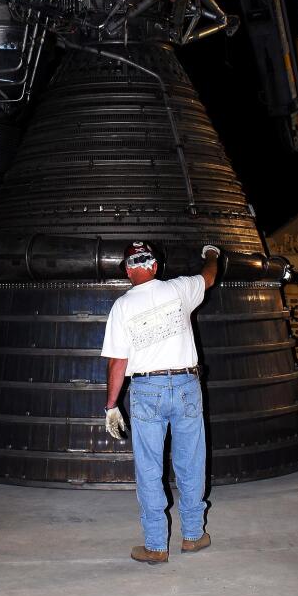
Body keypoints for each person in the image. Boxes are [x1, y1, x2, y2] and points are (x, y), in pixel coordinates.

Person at [101, 240, 219, 564]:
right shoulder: (179, 290)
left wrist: (112, 406)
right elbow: (208, 276)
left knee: (150, 468)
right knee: (191, 462)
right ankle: (193, 536)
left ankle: (156, 545)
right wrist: (211, 253)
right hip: (185, 385)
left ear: (128, 270)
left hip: (147, 391)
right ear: (154, 266)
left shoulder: (122, 307)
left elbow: (117, 364)